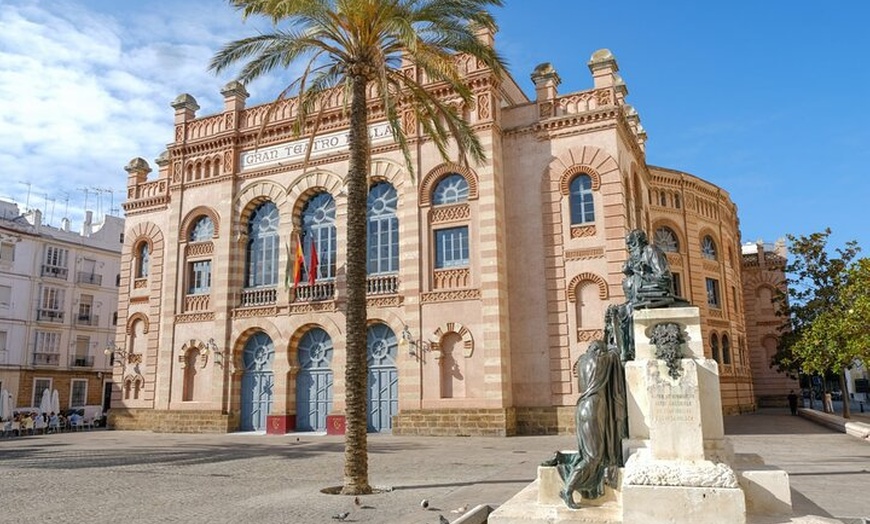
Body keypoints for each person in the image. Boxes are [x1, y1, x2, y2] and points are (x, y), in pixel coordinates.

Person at [543, 339, 626, 509]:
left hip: (581, 407)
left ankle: (561, 458)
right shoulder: (603, 359)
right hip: (593, 409)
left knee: (588, 451)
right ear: (599, 350)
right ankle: (568, 489)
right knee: (594, 456)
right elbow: (615, 353)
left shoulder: (581, 361)